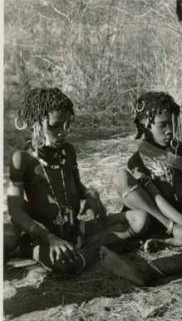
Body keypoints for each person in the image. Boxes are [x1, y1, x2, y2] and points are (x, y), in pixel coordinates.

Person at [6, 87, 149, 273]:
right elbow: (14, 209)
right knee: (66, 264)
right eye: (55, 126)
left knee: (140, 218)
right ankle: (31, 249)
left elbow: (77, 187)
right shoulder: (22, 159)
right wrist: (49, 238)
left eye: (66, 125)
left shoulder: (68, 152)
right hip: (43, 235)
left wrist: (90, 194)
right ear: (35, 123)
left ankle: (83, 251)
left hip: (76, 228)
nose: (62, 133)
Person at [114, 91, 182, 248]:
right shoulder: (137, 161)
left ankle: (172, 239)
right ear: (145, 125)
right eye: (163, 125)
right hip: (163, 218)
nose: (170, 130)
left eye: (172, 123)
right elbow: (156, 197)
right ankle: (167, 239)